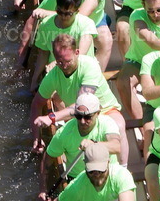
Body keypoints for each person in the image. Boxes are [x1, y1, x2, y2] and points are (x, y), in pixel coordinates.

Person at [30, 34, 128, 163]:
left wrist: (51, 117)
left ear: (77, 52)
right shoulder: (54, 75)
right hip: (79, 115)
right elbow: (37, 104)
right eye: (59, 62)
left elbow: (81, 103)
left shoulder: (89, 65)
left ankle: (123, 169)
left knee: (119, 125)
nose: (64, 66)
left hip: (105, 109)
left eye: (68, 61)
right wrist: (36, 137)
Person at [25, 0, 112, 71]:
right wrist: (20, 61)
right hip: (69, 22)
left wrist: (47, 13)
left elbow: (80, 15)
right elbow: (32, 18)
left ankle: (97, 75)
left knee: (106, 40)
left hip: (95, 21)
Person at [38, 91, 121, 201]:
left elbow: (116, 147)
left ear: (98, 113)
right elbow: (47, 159)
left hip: (107, 175)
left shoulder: (107, 124)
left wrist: (94, 144)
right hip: (79, 180)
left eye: (87, 117)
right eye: (78, 116)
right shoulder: (64, 133)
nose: (82, 121)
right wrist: (43, 189)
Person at [29, 0, 98, 86]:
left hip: (83, 73)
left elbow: (81, 56)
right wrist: (34, 79)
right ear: (56, 8)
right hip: (57, 74)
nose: (63, 17)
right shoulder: (45, 24)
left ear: (77, 11)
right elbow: (43, 54)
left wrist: (58, 63)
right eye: (60, 12)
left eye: (68, 14)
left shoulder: (87, 24)